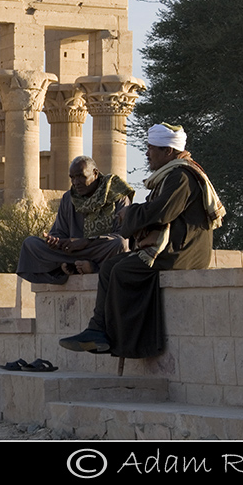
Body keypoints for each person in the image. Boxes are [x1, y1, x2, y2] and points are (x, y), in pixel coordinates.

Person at [59, 123, 225, 358]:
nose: (146, 154)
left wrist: (130, 213)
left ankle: (125, 339)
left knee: (123, 269)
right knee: (109, 267)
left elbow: (161, 212)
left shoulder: (182, 176)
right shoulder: (171, 175)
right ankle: (97, 330)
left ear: (168, 151)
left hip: (181, 252)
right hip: (170, 248)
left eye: (151, 149)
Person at [16, 156, 134, 284]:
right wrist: (54, 241)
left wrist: (86, 242)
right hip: (72, 252)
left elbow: (123, 234)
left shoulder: (117, 195)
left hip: (99, 249)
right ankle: (76, 265)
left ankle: (88, 267)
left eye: (81, 176)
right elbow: (59, 232)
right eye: (72, 178)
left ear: (95, 173)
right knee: (30, 244)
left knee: (120, 244)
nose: (76, 182)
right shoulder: (68, 198)